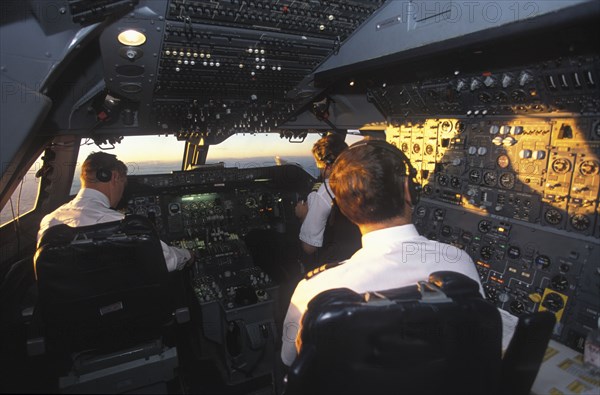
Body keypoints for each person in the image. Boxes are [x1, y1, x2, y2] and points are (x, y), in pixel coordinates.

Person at [281, 138, 483, 367]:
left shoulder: (316, 290)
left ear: (344, 209)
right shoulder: (459, 265)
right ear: (409, 190)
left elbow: (290, 359)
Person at [37, 152, 193, 272]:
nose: (122, 191)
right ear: (115, 177)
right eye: (123, 184)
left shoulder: (49, 222)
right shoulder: (121, 226)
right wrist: (188, 254)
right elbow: (168, 260)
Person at [295, 134, 361, 271]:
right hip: (361, 258)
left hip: (335, 266)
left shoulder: (322, 194)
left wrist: (303, 216)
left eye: (318, 164)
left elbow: (309, 248)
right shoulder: (361, 182)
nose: (319, 169)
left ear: (327, 166)